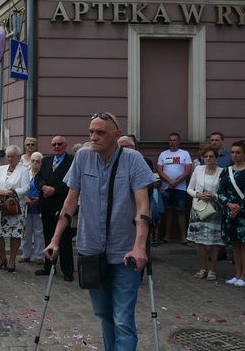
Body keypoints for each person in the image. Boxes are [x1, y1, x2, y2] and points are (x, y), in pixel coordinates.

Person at [44, 112, 154, 350]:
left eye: (100, 132)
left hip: (125, 252)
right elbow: (70, 203)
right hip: (91, 250)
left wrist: (139, 246)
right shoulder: (82, 158)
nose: (93, 137)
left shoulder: (133, 159)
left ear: (117, 135)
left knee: (123, 320)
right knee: (104, 315)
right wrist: (55, 240)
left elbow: (143, 206)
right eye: (91, 132)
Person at [217, 140, 245, 288]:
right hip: (230, 212)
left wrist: (238, 208)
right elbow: (220, 191)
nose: (235, 155)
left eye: (238, 152)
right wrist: (229, 205)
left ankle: (244, 275)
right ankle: (237, 274)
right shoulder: (226, 171)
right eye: (233, 152)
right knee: (234, 243)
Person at [35, 136, 74, 279]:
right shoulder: (46, 161)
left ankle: (68, 270)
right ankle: (48, 266)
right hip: (46, 205)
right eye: (54, 145)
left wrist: (55, 190)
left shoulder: (71, 162)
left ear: (65, 145)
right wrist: (43, 187)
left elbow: (72, 183)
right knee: (48, 236)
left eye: (59, 144)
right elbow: (37, 178)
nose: (56, 147)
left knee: (64, 238)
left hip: (62, 204)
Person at [0, 145, 30, 272]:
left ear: (18, 157)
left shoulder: (23, 170)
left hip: (14, 206)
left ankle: (12, 260)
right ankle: (2, 258)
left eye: (13, 156)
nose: (10, 159)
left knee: (15, 233)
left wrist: (8, 193)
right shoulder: (1, 169)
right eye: (8, 156)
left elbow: (25, 188)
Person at [186, 146, 224, 281]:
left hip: (214, 208)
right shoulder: (198, 169)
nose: (208, 159)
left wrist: (214, 196)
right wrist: (198, 194)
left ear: (216, 158)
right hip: (199, 207)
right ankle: (203, 267)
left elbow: (224, 192)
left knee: (215, 240)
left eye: (211, 156)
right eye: (206, 156)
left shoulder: (222, 172)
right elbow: (189, 189)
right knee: (200, 240)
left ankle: (213, 268)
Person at [158, 133, 193, 245]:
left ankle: (183, 237)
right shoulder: (163, 154)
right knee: (168, 211)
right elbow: (159, 170)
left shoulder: (184, 153)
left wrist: (176, 182)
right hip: (166, 187)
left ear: (179, 142)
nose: (172, 142)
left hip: (181, 188)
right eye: (170, 140)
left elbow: (188, 170)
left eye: (174, 140)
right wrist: (170, 181)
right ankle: (167, 236)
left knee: (181, 211)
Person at [21, 152, 45, 266]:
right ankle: (25, 254)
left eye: (37, 161)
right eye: (33, 161)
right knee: (26, 232)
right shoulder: (26, 173)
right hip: (26, 207)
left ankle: (39, 255)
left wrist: (38, 199)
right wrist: (25, 197)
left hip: (38, 208)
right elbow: (21, 186)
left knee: (39, 232)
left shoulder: (44, 175)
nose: (35, 163)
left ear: (41, 163)